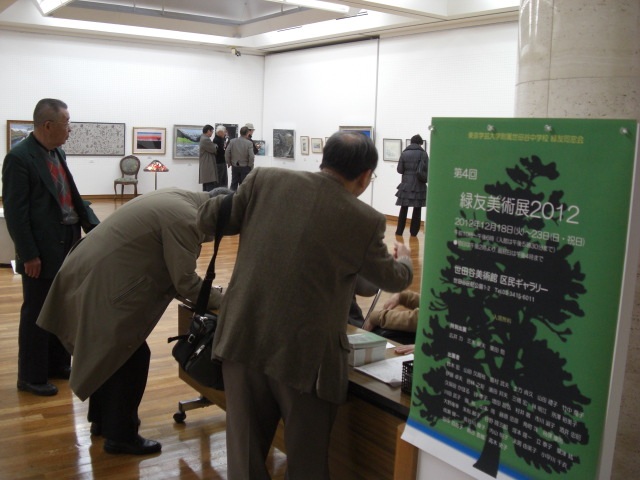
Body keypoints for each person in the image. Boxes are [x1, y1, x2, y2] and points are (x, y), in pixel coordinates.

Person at [197, 131, 414, 479]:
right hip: (306, 360)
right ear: (364, 176)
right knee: (306, 463)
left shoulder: (265, 179)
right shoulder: (365, 219)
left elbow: (214, 219)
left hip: (243, 337)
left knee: (244, 458)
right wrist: (404, 259)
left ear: (324, 159)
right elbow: (393, 280)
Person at [36, 188, 225, 455]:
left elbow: (174, 273)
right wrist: (225, 300)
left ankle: (102, 421)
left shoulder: (178, 197)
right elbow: (185, 282)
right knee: (129, 357)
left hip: (91, 270)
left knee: (107, 354)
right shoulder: (186, 218)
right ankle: (121, 436)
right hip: (106, 282)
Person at [1, 98, 99, 397]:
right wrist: (28, 254)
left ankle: (58, 364)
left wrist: (96, 229)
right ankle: (31, 376)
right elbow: (16, 213)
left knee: (63, 305)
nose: (70, 129)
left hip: (68, 240)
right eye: (67, 124)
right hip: (41, 250)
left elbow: (72, 196)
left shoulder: (57, 152)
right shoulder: (19, 158)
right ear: (47, 125)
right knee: (37, 311)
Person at [395, 134, 428, 236]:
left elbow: (400, 170)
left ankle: (399, 231)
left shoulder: (404, 153)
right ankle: (413, 232)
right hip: (419, 184)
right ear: (420, 143)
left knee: (403, 208)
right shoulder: (423, 154)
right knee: (417, 209)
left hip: (405, 184)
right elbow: (427, 169)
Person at [225, 125, 255, 191]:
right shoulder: (249, 143)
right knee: (244, 185)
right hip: (245, 167)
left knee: (234, 184)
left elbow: (227, 152)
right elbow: (251, 156)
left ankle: (232, 197)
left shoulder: (232, 141)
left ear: (240, 132)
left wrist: (229, 162)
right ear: (247, 133)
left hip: (235, 166)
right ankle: (242, 197)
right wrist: (250, 165)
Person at [199, 124, 218, 191]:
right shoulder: (205, 139)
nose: (212, 133)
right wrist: (216, 145)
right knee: (209, 187)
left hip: (206, 165)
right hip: (207, 165)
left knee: (206, 185)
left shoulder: (203, 138)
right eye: (212, 131)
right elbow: (214, 148)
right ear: (208, 131)